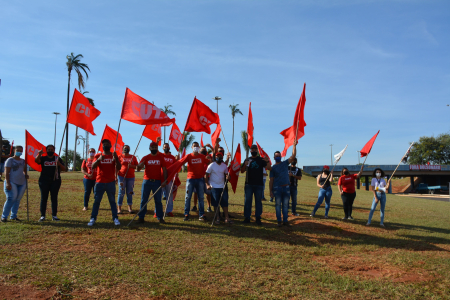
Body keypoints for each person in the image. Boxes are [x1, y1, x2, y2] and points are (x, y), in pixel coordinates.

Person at [88, 139, 121, 226]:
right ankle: (93, 218)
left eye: (107, 144)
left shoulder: (113, 155)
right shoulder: (98, 155)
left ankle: (115, 218)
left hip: (110, 182)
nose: (105, 145)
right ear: (102, 146)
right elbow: (93, 166)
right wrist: (98, 159)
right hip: (100, 182)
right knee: (97, 201)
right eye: (104, 144)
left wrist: (116, 158)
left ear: (110, 146)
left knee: (112, 201)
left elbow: (119, 167)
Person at [136, 141, 167, 223]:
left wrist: (165, 180)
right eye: (152, 147)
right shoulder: (145, 157)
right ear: (150, 148)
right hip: (146, 181)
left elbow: (164, 169)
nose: (154, 149)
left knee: (158, 201)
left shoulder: (161, 158)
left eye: (155, 147)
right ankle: (141, 217)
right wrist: (139, 166)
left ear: (157, 148)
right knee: (144, 200)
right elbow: (138, 168)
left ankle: (160, 217)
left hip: (157, 182)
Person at [241, 144, 271, 225]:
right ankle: (247, 217)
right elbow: (242, 171)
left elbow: (269, 168)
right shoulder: (247, 159)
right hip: (248, 184)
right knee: (247, 201)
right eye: (252, 149)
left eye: (255, 149)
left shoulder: (261, 160)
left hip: (259, 184)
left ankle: (258, 217)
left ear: (257, 151)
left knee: (258, 201)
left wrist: (267, 161)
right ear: (250, 151)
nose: (254, 151)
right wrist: (245, 164)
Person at [35, 145, 66, 222]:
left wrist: (59, 164)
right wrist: (39, 154)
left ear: (54, 150)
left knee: (54, 198)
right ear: (46, 150)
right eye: (49, 149)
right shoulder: (43, 158)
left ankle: (54, 215)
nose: (50, 151)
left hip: (55, 181)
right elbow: (37, 161)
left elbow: (65, 169)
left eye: (52, 149)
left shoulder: (57, 158)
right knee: (44, 198)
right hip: (44, 181)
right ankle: (42, 216)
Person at [269, 143, 297, 226]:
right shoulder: (273, 168)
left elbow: (293, 156)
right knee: (278, 205)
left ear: (281, 156)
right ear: (274, 158)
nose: (278, 157)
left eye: (279, 155)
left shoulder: (285, 163)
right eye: (276, 156)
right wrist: (270, 191)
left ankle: (285, 221)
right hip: (277, 189)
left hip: (286, 188)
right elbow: (271, 180)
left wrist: (294, 146)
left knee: (285, 205)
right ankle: (279, 221)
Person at [182, 142, 210, 221]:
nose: (196, 147)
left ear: (199, 147)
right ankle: (186, 214)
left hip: (200, 179)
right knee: (188, 197)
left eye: (197, 146)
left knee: (201, 197)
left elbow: (209, 162)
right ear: (191, 147)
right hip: (190, 179)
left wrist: (211, 158)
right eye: (194, 146)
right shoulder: (189, 156)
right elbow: (181, 162)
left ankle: (202, 214)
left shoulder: (202, 156)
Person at [1, 146, 28, 222]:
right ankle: (4, 216)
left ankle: (13, 216)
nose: (19, 152)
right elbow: (6, 172)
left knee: (17, 199)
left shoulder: (23, 161)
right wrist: (8, 182)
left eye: (20, 151)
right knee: (11, 198)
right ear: (14, 150)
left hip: (22, 182)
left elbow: (24, 170)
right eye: (18, 150)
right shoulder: (10, 160)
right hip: (12, 182)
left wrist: (25, 174)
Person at [205, 152, 232, 224]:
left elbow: (227, 175)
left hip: (222, 187)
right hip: (213, 187)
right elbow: (206, 175)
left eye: (220, 156)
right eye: (217, 156)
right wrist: (207, 184)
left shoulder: (224, 166)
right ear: (215, 157)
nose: (219, 157)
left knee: (225, 203)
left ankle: (227, 218)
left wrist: (228, 177)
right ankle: (217, 218)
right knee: (216, 203)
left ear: (222, 157)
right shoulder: (212, 165)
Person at [117, 145, 138, 214]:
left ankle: (130, 208)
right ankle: (119, 208)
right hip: (121, 176)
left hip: (131, 177)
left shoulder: (133, 157)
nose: (126, 149)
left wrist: (132, 166)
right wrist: (115, 176)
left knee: (130, 192)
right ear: (122, 149)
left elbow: (137, 167)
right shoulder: (120, 157)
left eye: (127, 148)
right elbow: (116, 166)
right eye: (125, 148)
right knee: (121, 192)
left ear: (129, 149)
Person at [192, 145, 213, 212]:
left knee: (208, 193)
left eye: (204, 151)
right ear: (199, 151)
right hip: (198, 177)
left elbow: (214, 153)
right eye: (202, 150)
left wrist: (210, 159)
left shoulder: (208, 157)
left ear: (206, 152)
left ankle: (209, 207)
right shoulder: (198, 156)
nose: (203, 152)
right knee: (195, 193)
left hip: (207, 178)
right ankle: (195, 206)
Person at [159, 142, 177, 217]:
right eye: (164, 147)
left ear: (169, 148)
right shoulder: (160, 155)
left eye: (167, 147)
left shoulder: (173, 157)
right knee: (159, 196)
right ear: (162, 148)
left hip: (169, 179)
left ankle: (168, 211)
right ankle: (157, 211)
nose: (166, 148)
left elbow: (176, 167)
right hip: (160, 178)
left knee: (169, 196)